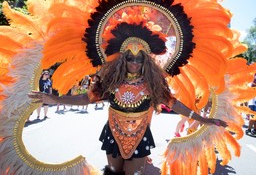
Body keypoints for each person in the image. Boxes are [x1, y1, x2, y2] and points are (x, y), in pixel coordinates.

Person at [29, 25, 227, 175]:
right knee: (114, 172)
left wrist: (202, 119)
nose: (134, 62)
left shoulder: (153, 84)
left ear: (145, 61)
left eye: (139, 59)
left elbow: (174, 103)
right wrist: (54, 98)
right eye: (130, 58)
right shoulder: (112, 80)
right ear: (123, 59)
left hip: (140, 135)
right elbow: (86, 99)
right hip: (113, 133)